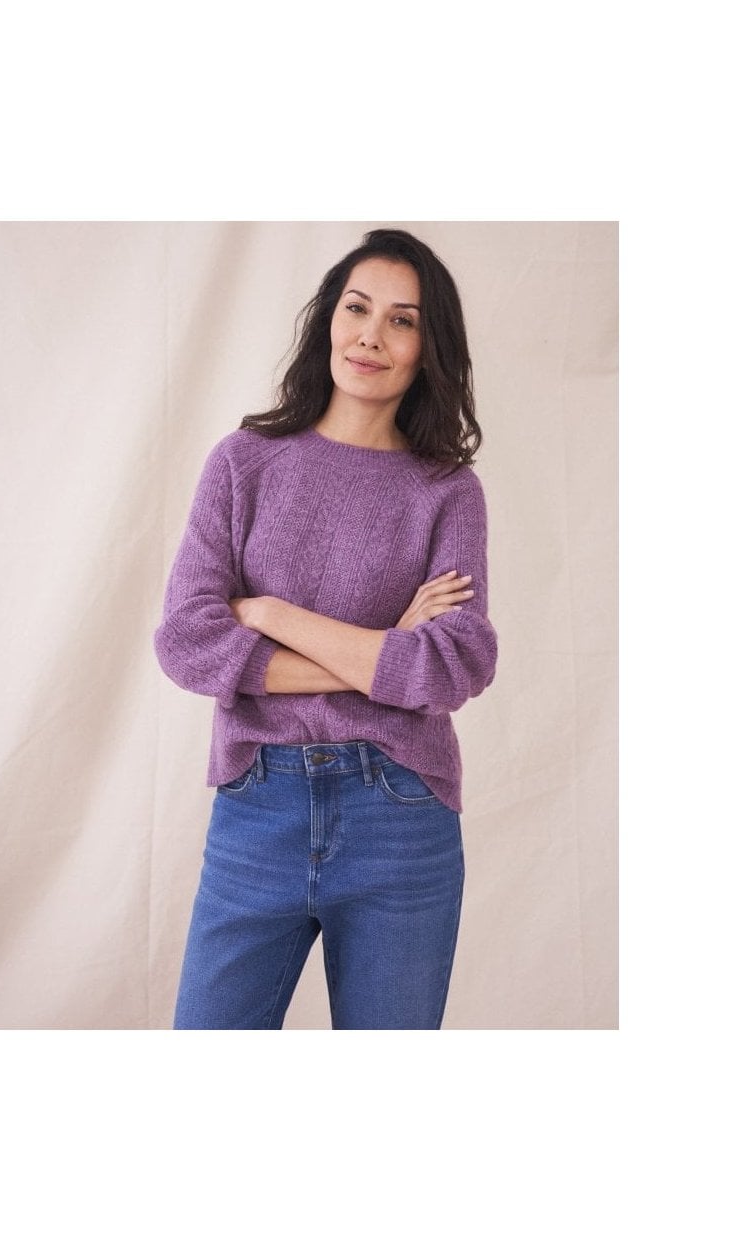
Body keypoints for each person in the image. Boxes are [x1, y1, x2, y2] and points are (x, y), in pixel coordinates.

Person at [153, 228, 497, 1029]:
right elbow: (187, 640)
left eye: (402, 320)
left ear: (428, 349)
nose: (371, 334)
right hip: (257, 806)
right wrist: (384, 652)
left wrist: (271, 615)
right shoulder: (243, 462)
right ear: (329, 320)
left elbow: (455, 662)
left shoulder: (447, 491)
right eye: (357, 308)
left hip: (399, 812)